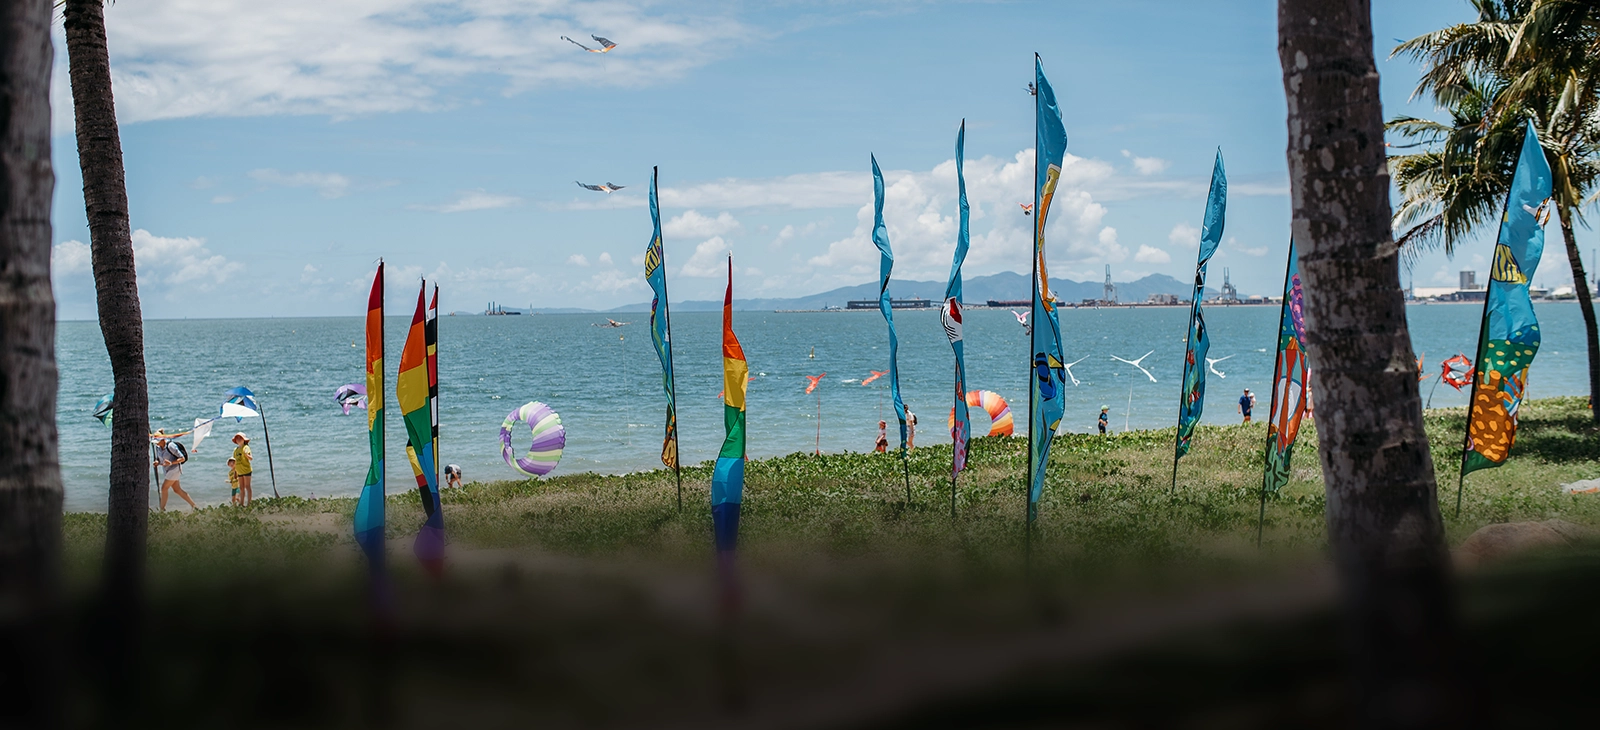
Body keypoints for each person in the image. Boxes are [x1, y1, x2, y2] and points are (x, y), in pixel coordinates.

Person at [152, 430, 198, 512]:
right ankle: (194, 506)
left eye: (158, 441)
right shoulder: (157, 448)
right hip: (167, 470)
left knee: (164, 488)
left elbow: (182, 458)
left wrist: (171, 463)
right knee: (177, 490)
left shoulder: (171, 446)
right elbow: (159, 459)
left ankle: (162, 510)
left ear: (163, 439)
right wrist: (157, 462)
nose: (156, 443)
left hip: (175, 469)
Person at [231, 432, 254, 505]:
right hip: (239, 471)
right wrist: (235, 472)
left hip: (246, 470)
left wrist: (247, 455)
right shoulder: (235, 450)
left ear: (244, 439)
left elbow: (251, 458)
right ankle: (241, 503)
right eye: (237, 438)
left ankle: (249, 503)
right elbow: (235, 462)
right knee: (241, 488)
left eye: (240, 438)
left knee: (247, 486)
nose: (238, 439)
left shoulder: (246, 447)